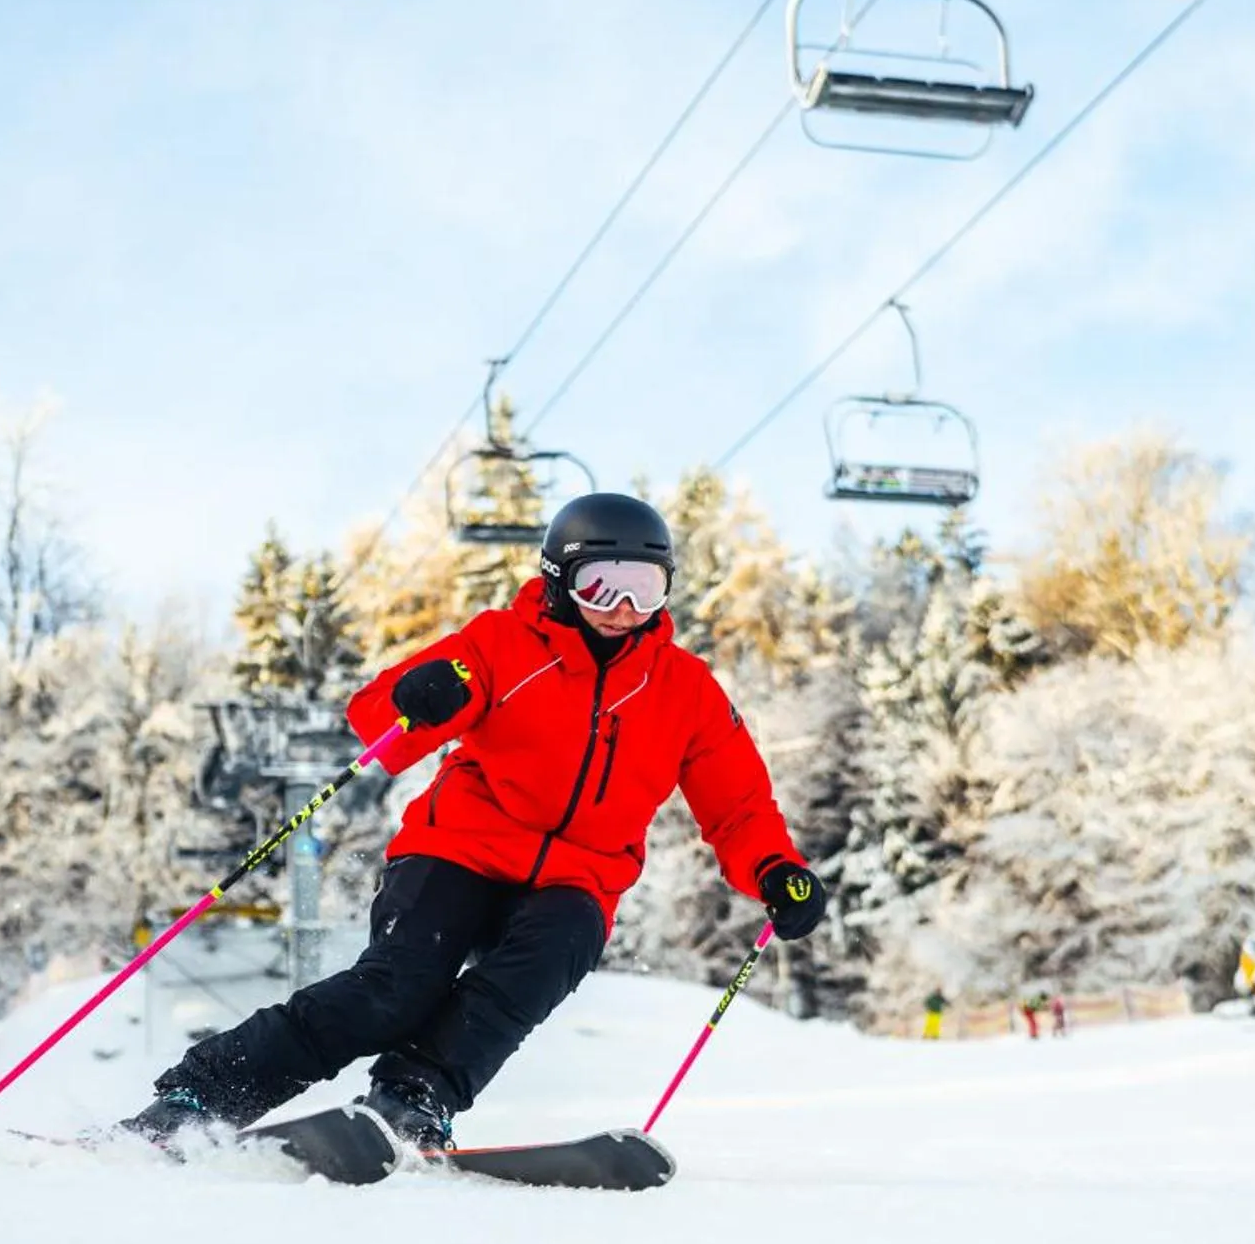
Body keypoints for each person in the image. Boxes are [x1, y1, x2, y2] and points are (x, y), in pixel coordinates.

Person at [123, 492, 827, 1151]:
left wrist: (775, 868)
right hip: (457, 849)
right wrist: (419, 696)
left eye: (645, 587)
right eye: (602, 584)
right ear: (559, 581)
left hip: (578, 875)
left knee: (548, 957)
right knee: (395, 991)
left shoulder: (685, 691)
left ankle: (413, 1099)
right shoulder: (503, 644)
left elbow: (737, 804)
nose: (623, 607)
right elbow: (380, 722)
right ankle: (197, 1098)